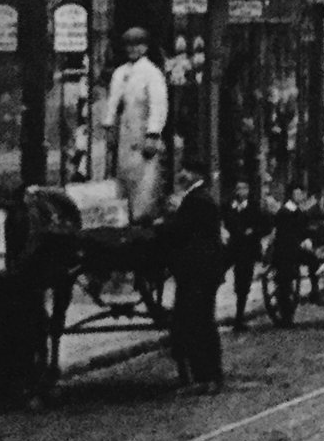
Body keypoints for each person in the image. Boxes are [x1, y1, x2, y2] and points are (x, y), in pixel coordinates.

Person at [164, 165, 227, 393]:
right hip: (201, 272)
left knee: (199, 323)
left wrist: (171, 216)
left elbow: (182, 232)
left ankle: (206, 377)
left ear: (196, 176)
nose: (182, 174)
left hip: (198, 273)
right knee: (201, 322)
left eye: (186, 171)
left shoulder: (197, 200)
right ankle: (207, 376)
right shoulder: (200, 198)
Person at [97, 28, 169, 220]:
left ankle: (141, 219)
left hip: (142, 133)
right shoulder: (120, 72)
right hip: (123, 135)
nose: (133, 49)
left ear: (145, 47)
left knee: (144, 181)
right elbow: (113, 102)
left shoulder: (152, 73)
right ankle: (124, 217)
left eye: (137, 45)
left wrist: (153, 134)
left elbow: (158, 105)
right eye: (129, 45)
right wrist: (109, 124)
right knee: (122, 179)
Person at [223, 180, 274, 333]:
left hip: (247, 250)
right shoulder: (228, 207)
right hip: (230, 248)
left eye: (244, 188)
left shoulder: (254, 208)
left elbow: (265, 226)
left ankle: (239, 318)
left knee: (243, 285)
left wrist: (253, 231)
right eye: (239, 189)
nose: (241, 192)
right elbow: (222, 223)